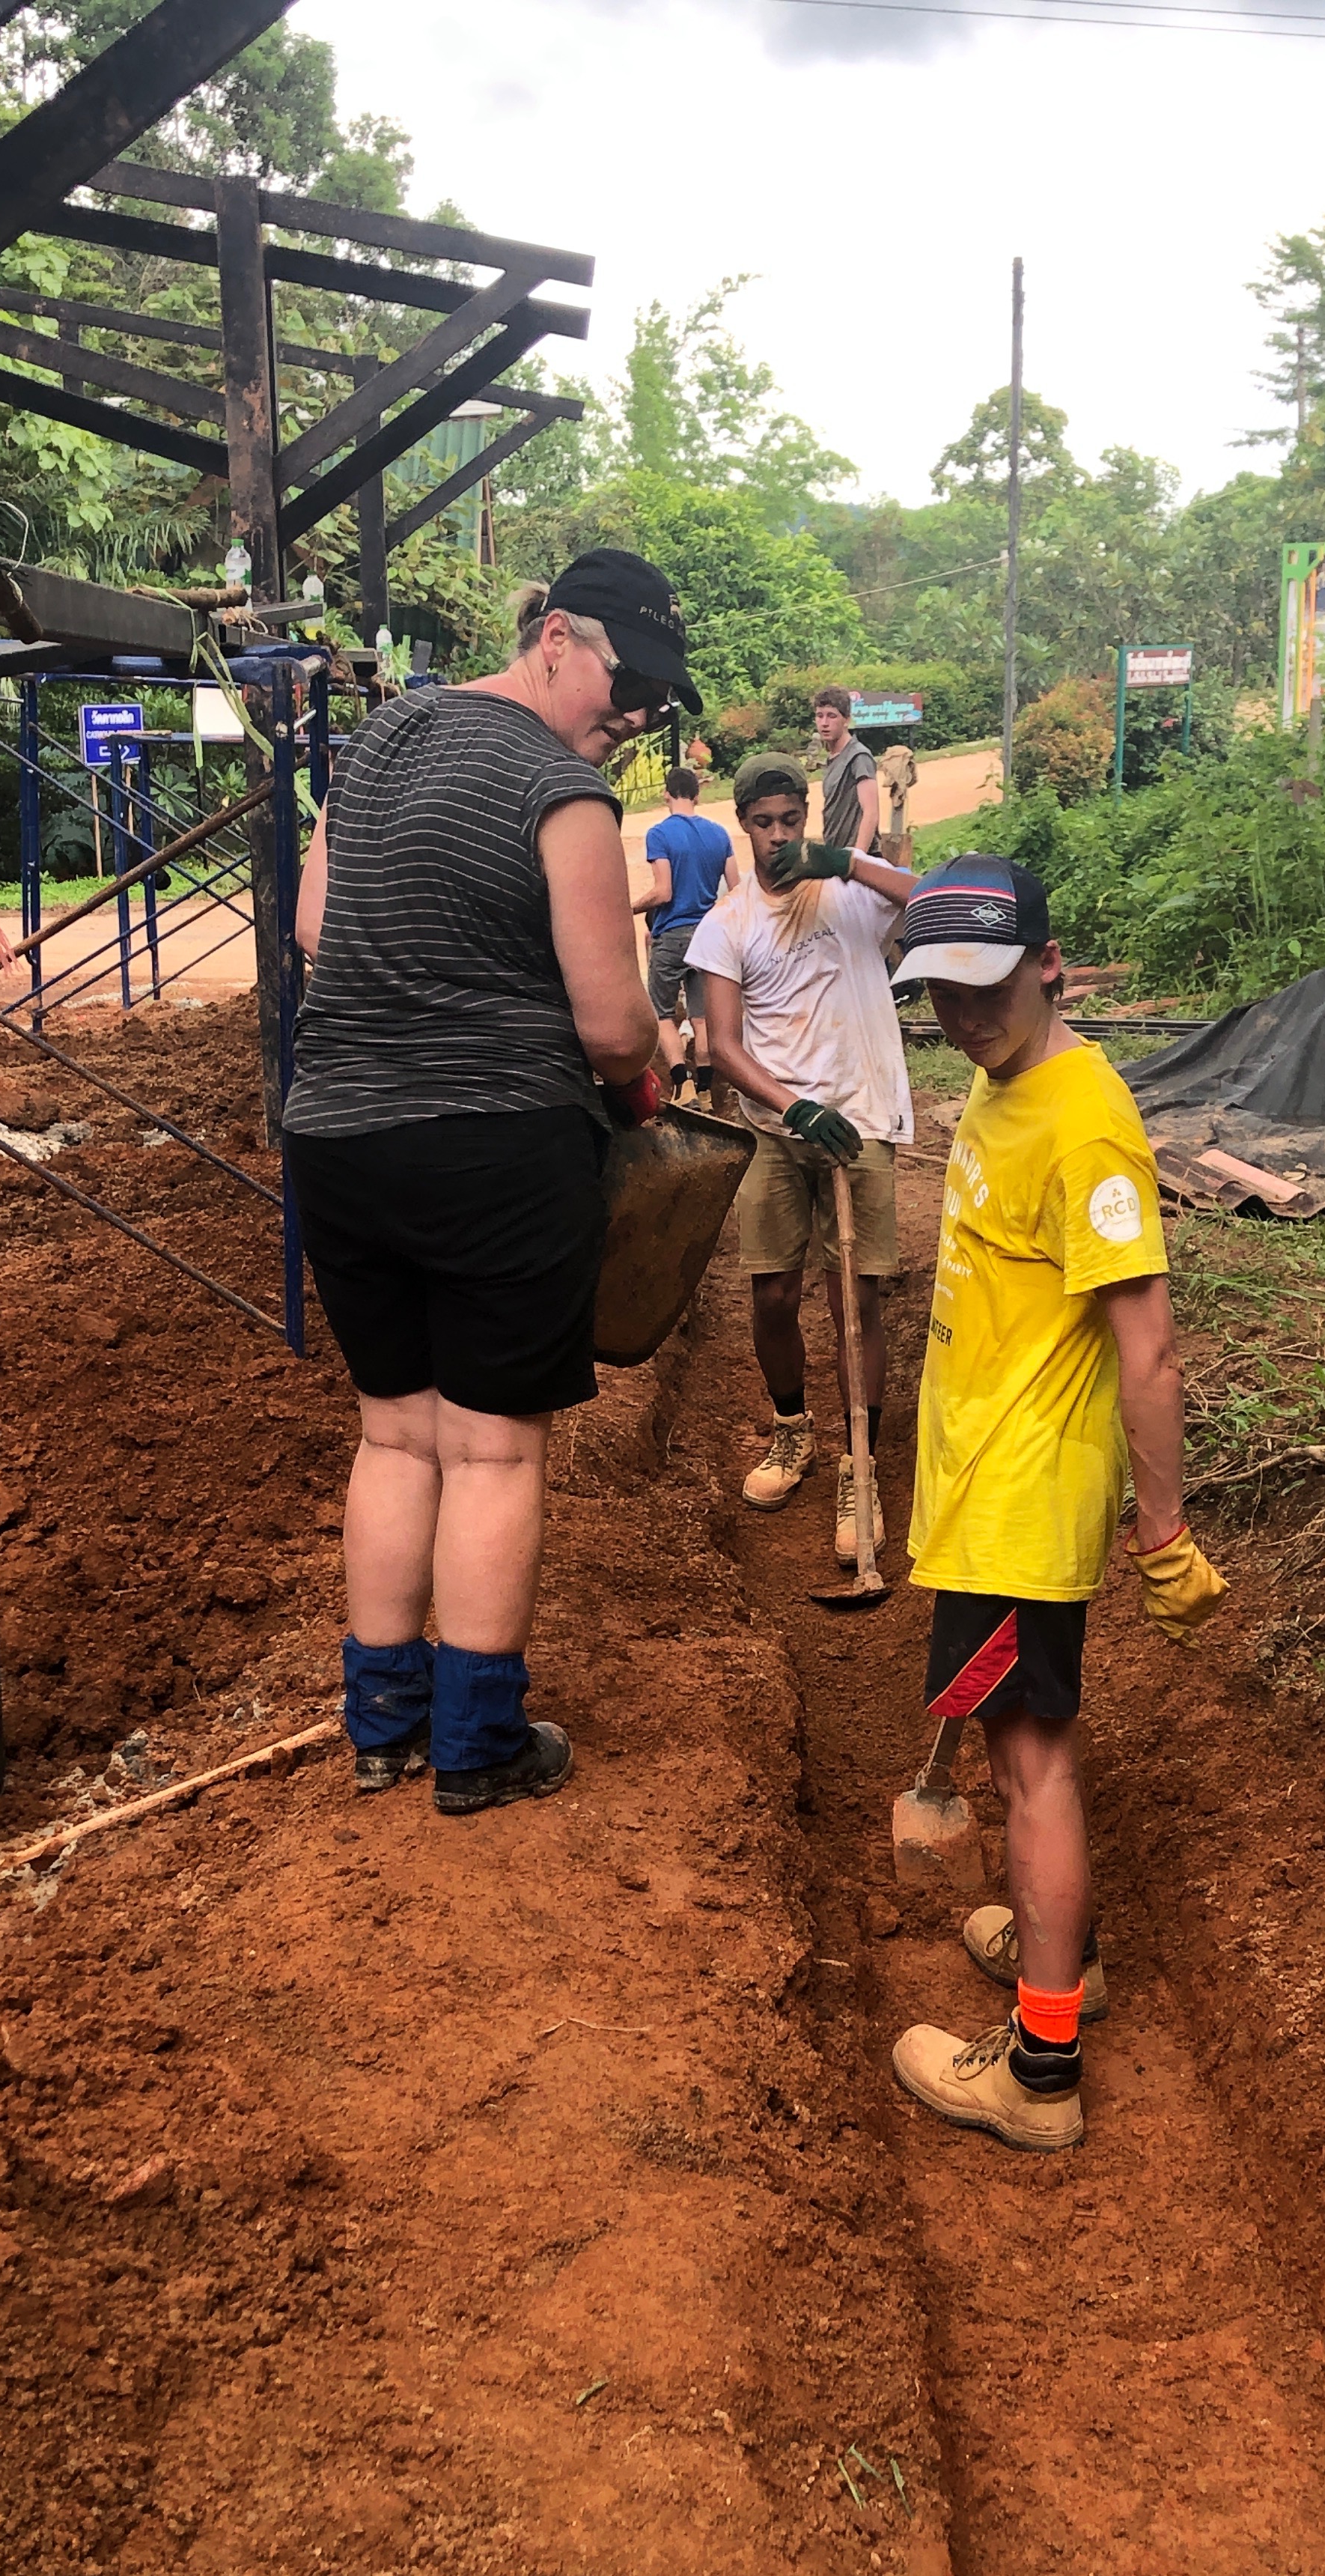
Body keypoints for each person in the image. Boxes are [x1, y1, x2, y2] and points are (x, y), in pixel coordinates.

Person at [284, 549, 696, 1811]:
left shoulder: (378, 743)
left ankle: (381, 1726)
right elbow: (613, 1029)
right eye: (628, 686)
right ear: (556, 638)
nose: (635, 717)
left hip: (339, 1139)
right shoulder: (563, 793)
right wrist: (650, 1053)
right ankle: (476, 1746)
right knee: (492, 1454)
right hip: (494, 1150)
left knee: (394, 1431)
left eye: (654, 704)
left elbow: (315, 929)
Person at [884, 856, 1228, 2154]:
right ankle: (1059, 1957)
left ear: (1049, 965)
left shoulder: (1085, 1126)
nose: (963, 1017)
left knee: (1030, 1765)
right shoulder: (1002, 1078)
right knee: (1015, 1745)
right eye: (939, 995)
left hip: (1022, 1498)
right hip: (985, 1480)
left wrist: (1164, 1529)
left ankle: (1039, 2067)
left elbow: (1150, 1349)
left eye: (985, 988)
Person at [688, 754, 915, 1566]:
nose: (779, 836)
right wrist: (795, 1108)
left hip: (861, 1122)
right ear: (743, 826)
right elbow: (723, 1045)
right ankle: (792, 1429)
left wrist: (844, 859)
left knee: (855, 1300)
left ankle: (861, 1465)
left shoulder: (850, 896)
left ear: (806, 820)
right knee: (774, 1293)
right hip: (778, 1132)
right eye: (764, 823)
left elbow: (932, 898)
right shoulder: (728, 924)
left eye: (791, 821)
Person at [634, 765, 733, 1101]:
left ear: (666, 794)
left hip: (672, 935)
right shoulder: (720, 834)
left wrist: (629, 907)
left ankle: (683, 1083)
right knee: (702, 1018)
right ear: (697, 795)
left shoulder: (659, 834)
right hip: (709, 937)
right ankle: (705, 1091)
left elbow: (663, 892)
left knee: (662, 1014)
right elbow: (735, 890)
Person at [813, 686, 879, 858]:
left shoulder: (859, 756)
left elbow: (871, 812)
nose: (824, 723)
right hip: (837, 855)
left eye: (832, 716)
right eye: (820, 716)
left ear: (846, 720)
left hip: (859, 858)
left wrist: (858, 858)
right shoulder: (832, 758)